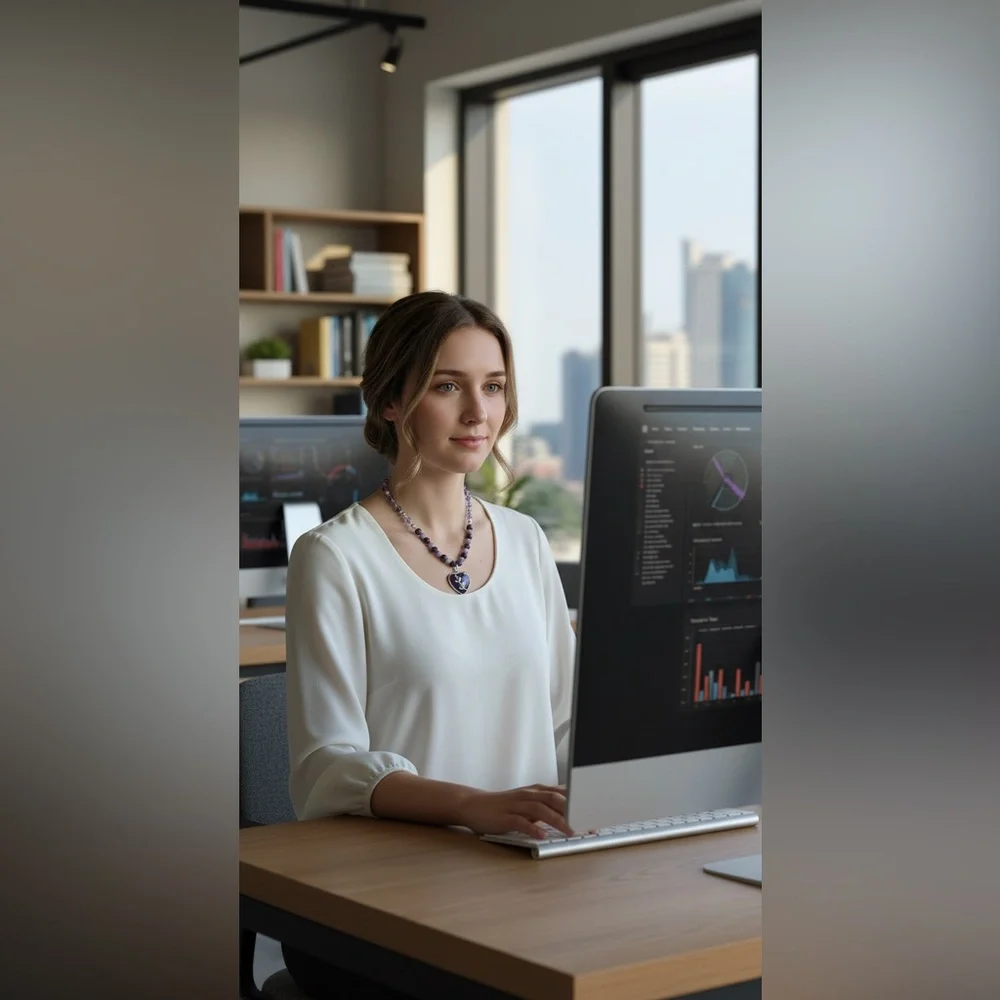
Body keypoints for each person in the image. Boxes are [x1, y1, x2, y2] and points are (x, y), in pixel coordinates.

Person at [279, 290, 577, 999]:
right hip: (399, 902)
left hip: (531, 882)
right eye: (448, 386)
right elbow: (325, 768)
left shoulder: (528, 542)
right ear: (391, 401)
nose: (480, 413)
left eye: (494, 387)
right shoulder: (333, 557)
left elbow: (565, 724)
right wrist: (471, 805)